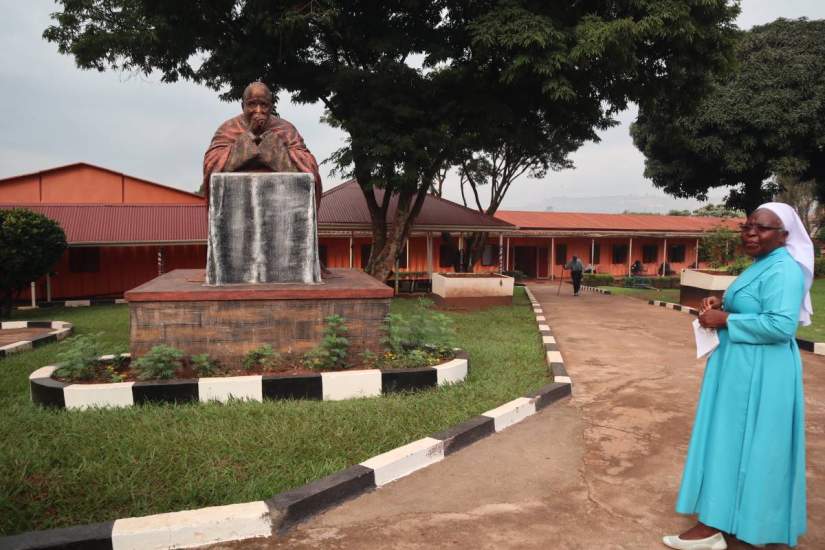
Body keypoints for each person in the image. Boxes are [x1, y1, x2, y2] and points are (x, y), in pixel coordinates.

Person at [663, 203, 812, 549]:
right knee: (732, 441)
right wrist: (721, 305)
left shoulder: (783, 270)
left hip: (761, 374)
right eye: (747, 227)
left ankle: (731, 527)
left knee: (749, 444)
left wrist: (726, 320)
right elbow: (753, 307)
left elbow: (781, 325)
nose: (751, 233)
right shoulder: (762, 265)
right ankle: (722, 520)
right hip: (743, 368)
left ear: (784, 236)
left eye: (761, 228)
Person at [202, 81, 322, 208]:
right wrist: (249, 136)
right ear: (243, 106)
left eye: (263, 105)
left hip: (281, 201)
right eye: (252, 104)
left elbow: (309, 166)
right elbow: (212, 164)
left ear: (271, 107)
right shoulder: (228, 128)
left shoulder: (286, 129)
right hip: (238, 203)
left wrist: (275, 149)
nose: (258, 111)